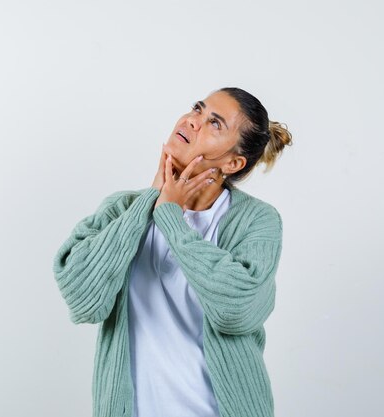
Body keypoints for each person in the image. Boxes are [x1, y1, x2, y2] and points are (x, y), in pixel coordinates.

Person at [53, 87, 293, 417]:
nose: (193, 121)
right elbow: (81, 298)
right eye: (197, 108)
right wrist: (150, 201)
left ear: (234, 162)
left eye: (215, 123)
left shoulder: (257, 221)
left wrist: (171, 219)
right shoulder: (122, 208)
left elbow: (237, 309)